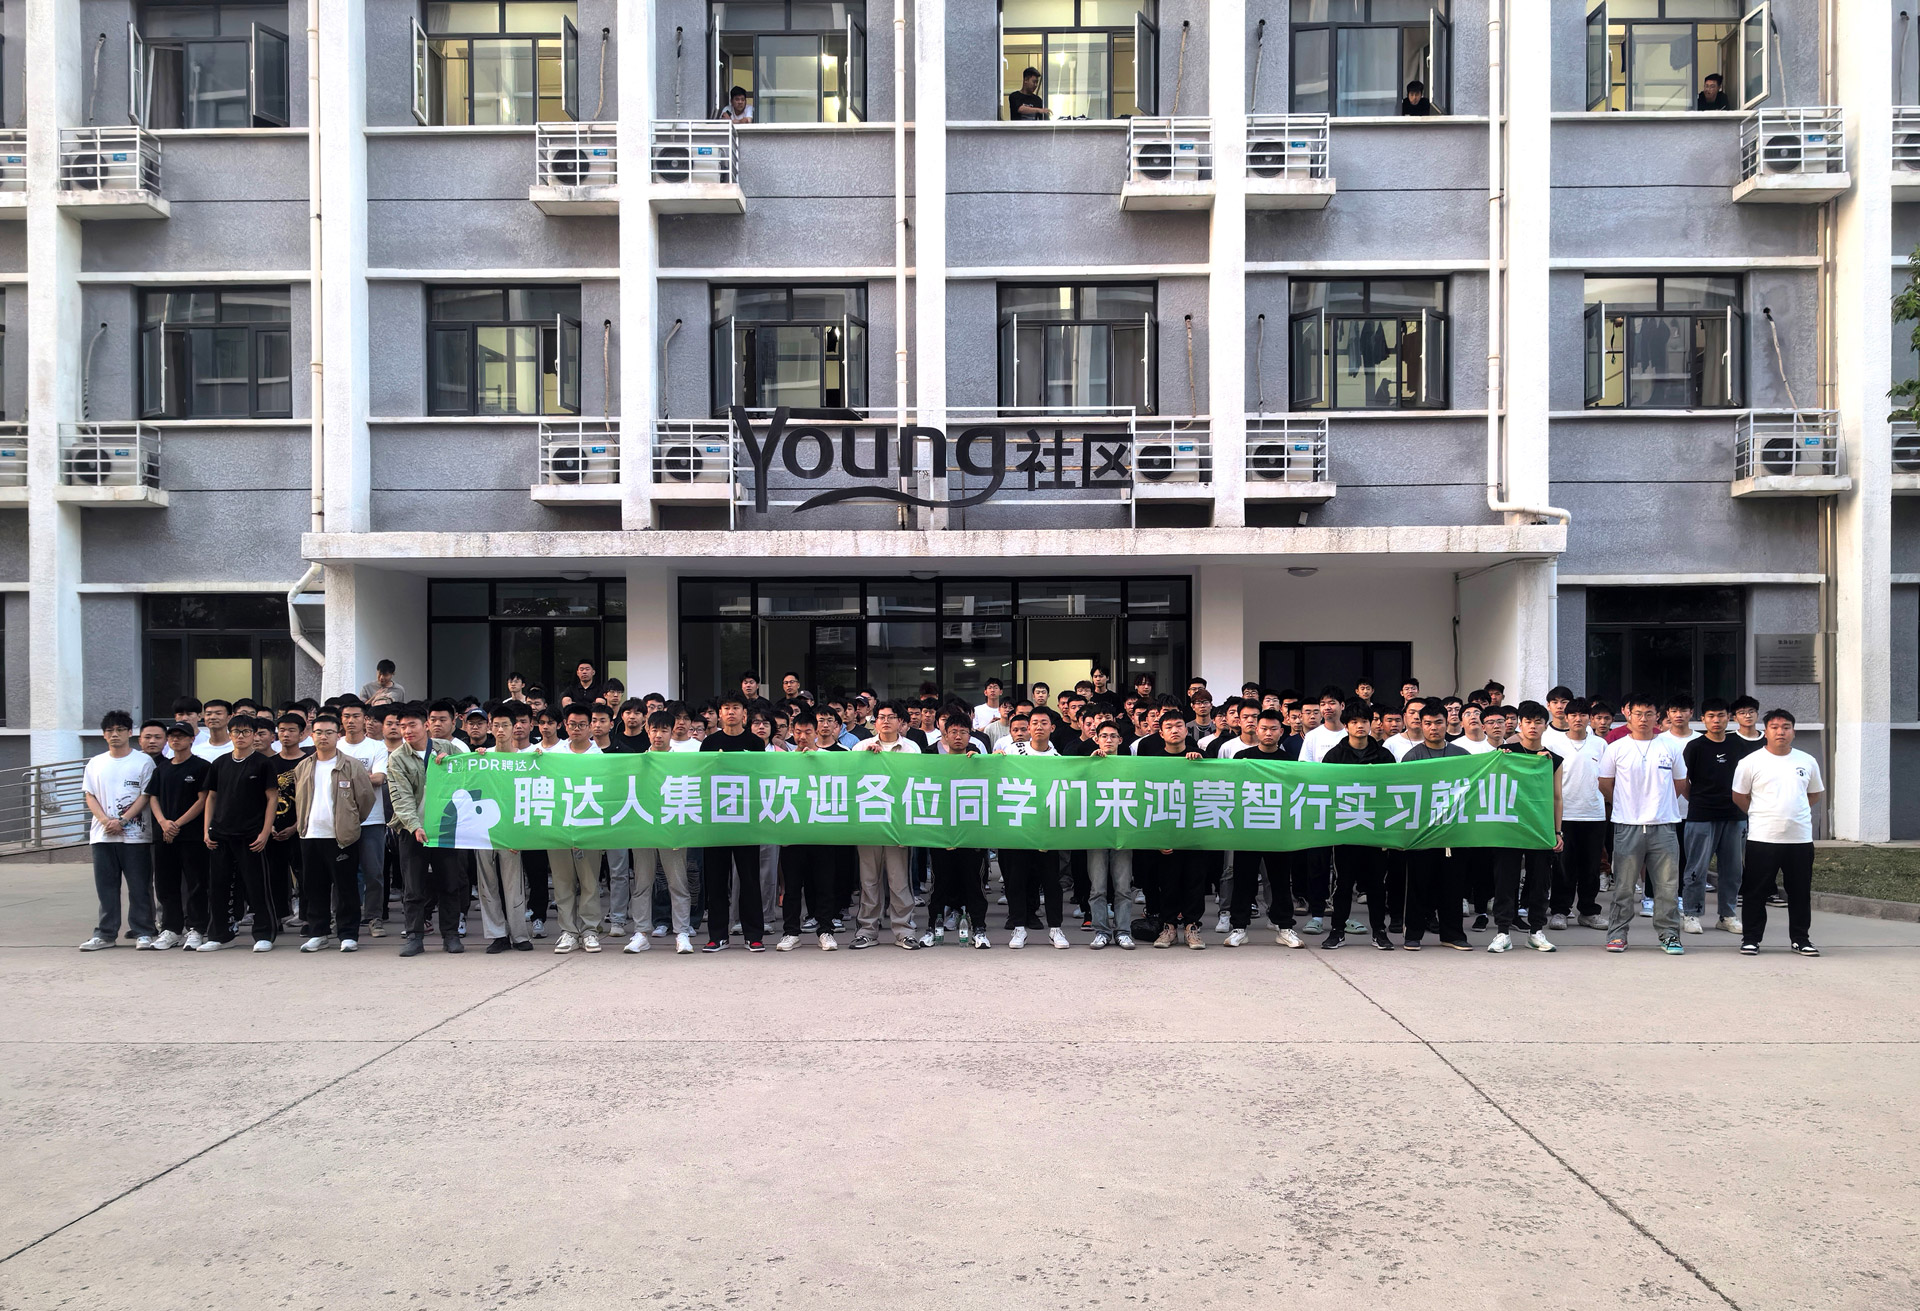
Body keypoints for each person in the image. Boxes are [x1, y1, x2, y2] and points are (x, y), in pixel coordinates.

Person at [1598, 692, 1690, 955]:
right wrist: (1625, 805)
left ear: (1657, 717)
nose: (1643, 719)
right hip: (1627, 825)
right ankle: (1617, 934)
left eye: (1649, 714)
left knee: (1667, 887)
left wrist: (1660, 804)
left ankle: (1669, 935)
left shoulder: (1670, 747)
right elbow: (1605, 783)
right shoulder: (1616, 748)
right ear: (1628, 715)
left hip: (1664, 825)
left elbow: (1679, 783)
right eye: (1638, 713)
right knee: (1624, 886)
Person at [1732, 709, 1824, 957]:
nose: (1780, 732)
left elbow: (1814, 794)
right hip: (1763, 837)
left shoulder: (1807, 761)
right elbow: (1739, 796)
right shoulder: (1751, 762)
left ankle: (1801, 939)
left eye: (1786, 727)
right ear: (1766, 731)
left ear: (1793, 731)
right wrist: (1761, 814)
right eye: (1774, 727)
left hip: (1799, 838)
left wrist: (1794, 811)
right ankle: (1751, 939)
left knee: (1800, 892)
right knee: (1755, 891)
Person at [385, 703, 473, 958]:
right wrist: (414, 826)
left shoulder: (447, 748)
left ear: (425, 725)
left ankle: (451, 935)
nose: (407, 731)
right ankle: (414, 936)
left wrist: (463, 762)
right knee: (413, 886)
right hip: (411, 830)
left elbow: (469, 777)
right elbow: (400, 797)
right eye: (402, 726)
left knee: (450, 883)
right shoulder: (397, 757)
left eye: (412, 725)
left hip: (445, 828)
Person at [1319, 702, 1403, 950]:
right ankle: (1337, 930)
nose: (1360, 726)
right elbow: (1325, 789)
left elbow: (1393, 789)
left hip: (1375, 828)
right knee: (1343, 883)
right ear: (1346, 726)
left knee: (1377, 883)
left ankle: (1379, 931)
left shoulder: (1384, 756)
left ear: (1371, 724)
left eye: (1364, 721)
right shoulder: (1334, 756)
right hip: (1345, 827)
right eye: (1354, 722)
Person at [291, 712, 376, 953]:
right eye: (318, 732)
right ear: (311, 735)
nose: (323, 737)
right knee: (313, 887)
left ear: (338, 735)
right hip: (310, 835)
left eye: (329, 732)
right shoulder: (303, 766)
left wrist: (351, 822)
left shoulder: (351, 765)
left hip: (340, 837)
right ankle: (318, 932)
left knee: (345, 887)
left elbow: (366, 799)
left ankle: (348, 934)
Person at [198, 714, 284, 952]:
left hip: (252, 835)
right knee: (219, 887)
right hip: (221, 834)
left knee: (257, 886)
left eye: (246, 732)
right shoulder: (220, 763)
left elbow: (272, 798)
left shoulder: (263, 763)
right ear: (230, 734)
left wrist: (265, 832)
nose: (241, 736)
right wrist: (207, 829)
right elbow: (211, 797)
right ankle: (220, 935)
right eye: (236, 732)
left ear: (254, 735)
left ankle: (264, 935)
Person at [1225, 709, 1305, 947]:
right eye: (1264, 728)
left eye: (1273, 729)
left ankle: (1285, 927)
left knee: (1280, 880)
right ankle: (1239, 927)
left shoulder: (1290, 761)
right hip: (1248, 828)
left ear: (1281, 731)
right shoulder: (1242, 757)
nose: (1268, 733)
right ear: (1255, 729)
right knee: (1243, 879)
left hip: (1278, 829)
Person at [1680, 698, 1760, 935]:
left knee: (1733, 871)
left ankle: (1727, 915)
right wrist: (1698, 801)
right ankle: (1691, 913)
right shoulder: (1695, 746)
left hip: (1735, 816)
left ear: (1729, 718)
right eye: (1711, 716)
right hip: (1701, 816)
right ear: (1703, 719)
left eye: (1721, 715)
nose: (1716, 720)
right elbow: (1684, 781)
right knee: (1696, 868)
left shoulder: (1739, 745)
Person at [1487, 702, 1562, 954]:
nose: (1533, 726)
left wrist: (1557, 831)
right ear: (1520, 724)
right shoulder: (1505, 752)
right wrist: (1501, 760)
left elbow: (1557, 798)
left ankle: (1536, 931)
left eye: (1538, 722)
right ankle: (1502, 932)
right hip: (1509, 827)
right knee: (1505, 879)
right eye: (1528, 722)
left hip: (1539, 828)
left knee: (1539, 880)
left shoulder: (1552, 759)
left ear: (1545, 726)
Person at [80, 710, 157, 951]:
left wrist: (122, 820)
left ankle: (143, 931)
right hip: (102, 835)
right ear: (104, 735)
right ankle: (105, 934)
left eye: (120, 730)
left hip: (136, 836)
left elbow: (146, 795)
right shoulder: (96, 763)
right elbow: (89, 795)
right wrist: (105, 820)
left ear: (130, 733)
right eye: (110, 730)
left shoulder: (143, 761)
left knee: (139, 886)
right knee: (106, 888)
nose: (115, 734)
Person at [850, 700, 922, 949]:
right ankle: (867, 931)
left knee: (899, 880)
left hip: (898, 822)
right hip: (869, 821)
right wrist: (866, 759)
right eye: (881, 717)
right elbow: (850, 780)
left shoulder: (911, 749)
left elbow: (916, 783)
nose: (886, 721)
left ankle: (904, 931)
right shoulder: (861, 747)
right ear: (875, 721)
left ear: (901, 721)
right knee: (868, 880)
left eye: (891, 717)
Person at [918, 709, 992, 950]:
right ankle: (932, 928)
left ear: (970, 735)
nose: (958, 736)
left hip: (972, 835)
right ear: (945, 735)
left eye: (963, 732)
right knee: (939, 885)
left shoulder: (979, 761)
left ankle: (978, 929)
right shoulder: (933, 763)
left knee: (974, 884)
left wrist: (991, 760)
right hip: (942, 834)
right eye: (953, 732)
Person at [700, 693, 767, 952]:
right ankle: (718, 935)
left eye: (736, 707)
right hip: (716, 820)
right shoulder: (709, 743)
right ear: (719, 713)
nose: (731, 712)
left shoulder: (755, 742)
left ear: (744, 713)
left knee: (749, 878)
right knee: (716, 879)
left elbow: (761, 777)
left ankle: (754, 934)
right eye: (726, 708)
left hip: (746, 819)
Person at [474, 706, 535, 953]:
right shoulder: (481, 756)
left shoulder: (525, 758)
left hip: (512, 828)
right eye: (496, 725)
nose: (500, 730)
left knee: (514, 884)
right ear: (490, 727)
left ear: (514, 728)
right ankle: (497, 934)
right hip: (483, 829)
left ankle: (519, 935)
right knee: (487, 883)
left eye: (505, 725)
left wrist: (521, 833)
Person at [145, 721, 210, 950]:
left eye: (181, 736)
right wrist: (164, 823)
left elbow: (203, 800)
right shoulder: (161, 768)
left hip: (191, 835)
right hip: (164, 835)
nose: (175, 739)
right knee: (165, 884)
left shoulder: (201, 766)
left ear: (191, 739)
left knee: (196, 883)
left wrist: (178, 824)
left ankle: (197, 928)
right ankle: (171, 929)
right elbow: (152, 797)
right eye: (172, 736)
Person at [335, 699, 392, 938]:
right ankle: (342, 917)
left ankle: (374, 917)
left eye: (356, 716)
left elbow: (379, 778)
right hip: (340, 820)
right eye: (346, 716)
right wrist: (363, 777)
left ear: (365, 719)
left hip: (372, 819)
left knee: (373, 872)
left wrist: (345, 780)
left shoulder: (376, 747)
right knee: (342, 873)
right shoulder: (335, 745)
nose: (351, 721)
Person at [1552, 699, 1610, 932]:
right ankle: (1560, 910)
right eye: (1573, 715)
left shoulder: (1600, 744)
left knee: (1591, 867)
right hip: (1564, 814)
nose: (1578, 719)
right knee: (1563, 866)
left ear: (1590, 719)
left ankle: (1588, 911)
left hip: (1594, 814)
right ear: (1566, 718)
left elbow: (1607, 777)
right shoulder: (1553, 744)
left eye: (1583, 715)